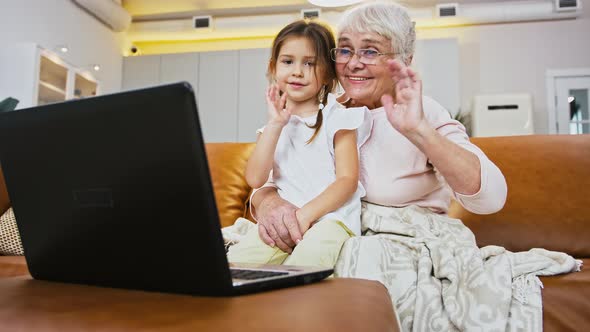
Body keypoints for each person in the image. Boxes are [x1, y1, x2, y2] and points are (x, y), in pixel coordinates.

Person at [250, 1, 507, 254]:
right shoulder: (323, 113)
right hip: (318, 234)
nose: (353, 63)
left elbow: (490, 199)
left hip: (400, 244)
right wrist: (271, 204)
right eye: (345, 50)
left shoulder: (423, 113)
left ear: (405, 59)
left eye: (370, 51)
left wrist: (420, 131)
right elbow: (265, 183)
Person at [227, 19, 371, 268]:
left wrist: (304, 216)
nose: (297, 71)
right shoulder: (271, 127)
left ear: (327, 73)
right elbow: (255, 179)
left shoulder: (340, 118)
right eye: (288, 61)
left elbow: (347, 181)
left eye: (309, 63)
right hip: (284, 224)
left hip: (331, 221)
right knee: (236, 265)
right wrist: (274, 125)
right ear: (273, 67)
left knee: (308, 263)